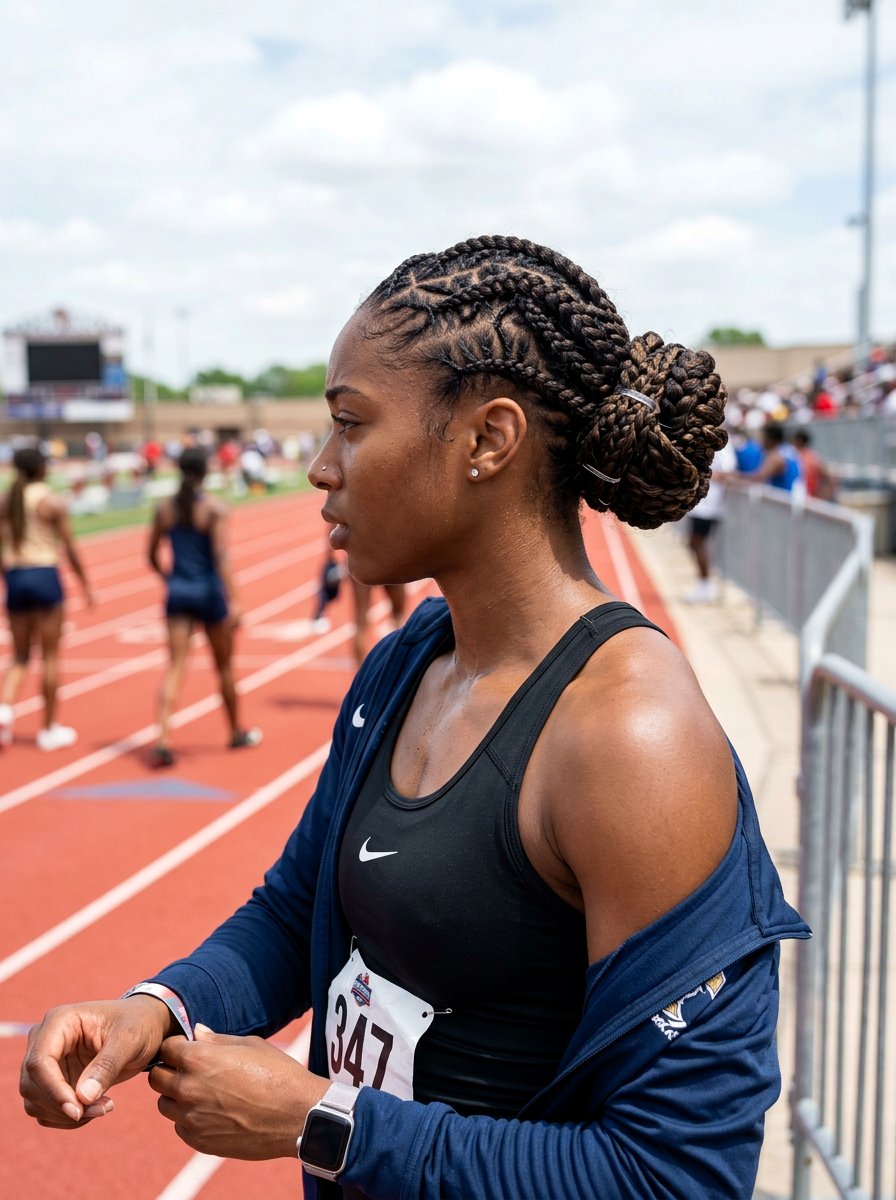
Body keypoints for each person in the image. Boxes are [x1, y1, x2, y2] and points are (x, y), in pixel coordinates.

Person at [20, 236, 808, 1199]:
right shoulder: (410, 659)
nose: (319, 467)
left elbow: (676, 1177)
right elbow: (299, 908)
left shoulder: (632, 738)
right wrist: (162, 1008)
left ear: (488, 439)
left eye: (351, 424)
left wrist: (326, 1124)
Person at [146, 446, 261, 767]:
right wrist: (236, 600)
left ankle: (164, 737)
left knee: (175, 666)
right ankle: (236, 731)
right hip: (209, 593)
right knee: (224, 667)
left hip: (179, 592)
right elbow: (222, 557)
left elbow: (151, 554)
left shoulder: (164, 509)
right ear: (206, 471)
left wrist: (168, 577)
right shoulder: (214, 509)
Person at [0, 445, 93, 750]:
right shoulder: (52, 502)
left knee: (20, 655)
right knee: (50, 656)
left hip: (16, 576)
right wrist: (86, 586)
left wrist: (7, 578)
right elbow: (69, 547)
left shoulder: (7, 500)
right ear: (42, 469)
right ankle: (49, 729)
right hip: (44, 576)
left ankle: (4, 708)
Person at [684, 438, 737, 602]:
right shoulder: (704, 443)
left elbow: (730, 474)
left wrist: (703, 474)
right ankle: (703, 584)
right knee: (694, 543)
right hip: (700, 504)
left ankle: (706, 585)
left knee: (697, 542)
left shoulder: (724, 448)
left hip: (710, 506)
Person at [350, 579, 407, 667]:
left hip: (362, 568)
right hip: (389, 566)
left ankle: (360, 671)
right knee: (398, 617)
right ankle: (401, 664)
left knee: (360, 621)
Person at [744, 422, 803, 492]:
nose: (761, 441)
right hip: (791, 497)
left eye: (763, 437)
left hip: (784, 498)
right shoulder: (788, 450)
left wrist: (734, 477)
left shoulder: (776, 457)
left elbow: (757, 478)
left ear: (769, 438)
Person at [792, 429, 838, 501]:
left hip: (804, 500)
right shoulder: (814, 457)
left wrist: (819, 499)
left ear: (799, 441)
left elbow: (832, 480)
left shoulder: (798, 457)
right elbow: (832, 480)